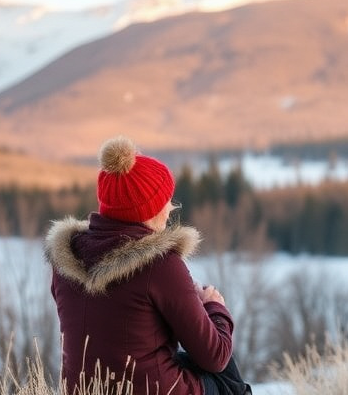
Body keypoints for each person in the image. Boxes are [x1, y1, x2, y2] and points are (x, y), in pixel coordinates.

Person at [45, 136, 251, 395]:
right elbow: (215, 356)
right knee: (227, 378)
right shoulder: (160, 264)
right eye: (165, 200)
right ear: (147, 210)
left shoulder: (67, 258)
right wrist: (214, 307)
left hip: (84, 389)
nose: (170, 208)